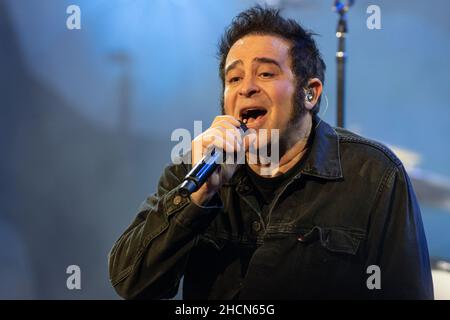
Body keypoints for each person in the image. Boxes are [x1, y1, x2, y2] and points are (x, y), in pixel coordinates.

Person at [108, 6, 434, 299]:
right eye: (233, 78)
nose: (246, 87)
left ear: (310, 93)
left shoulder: (372, 175)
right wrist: (198, 197)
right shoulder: (193, 172)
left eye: (265, 73)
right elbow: (132, 283)